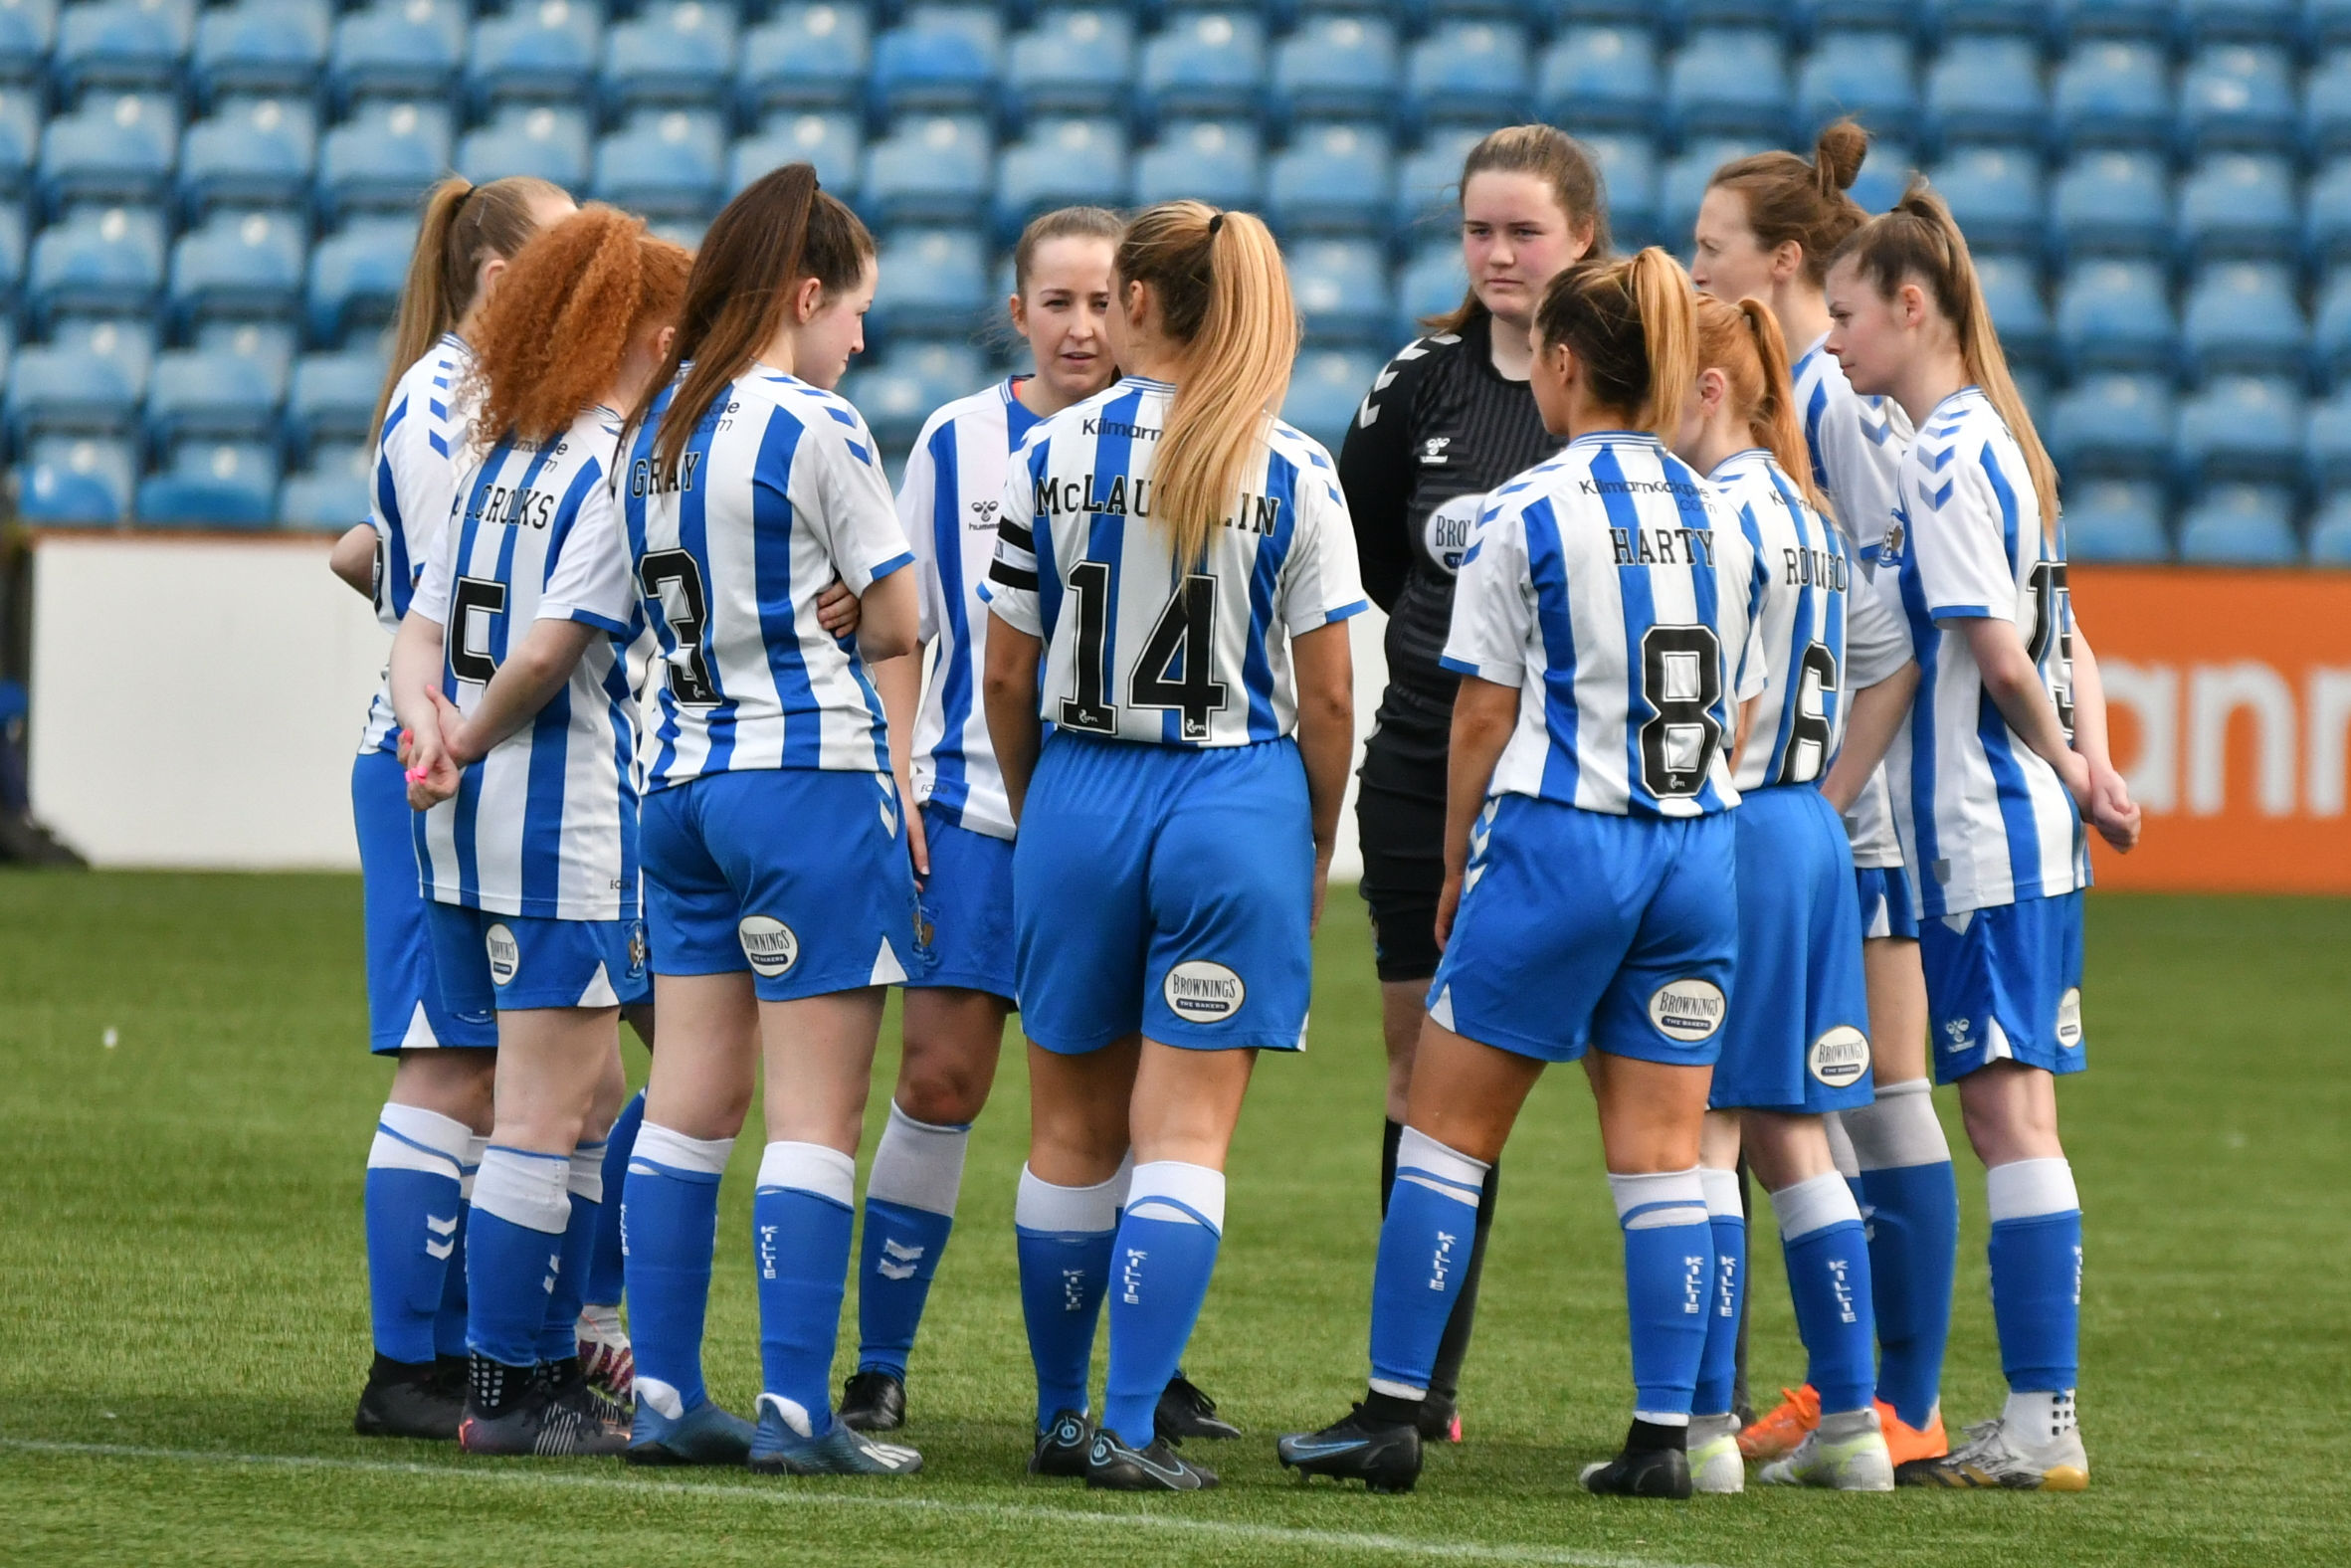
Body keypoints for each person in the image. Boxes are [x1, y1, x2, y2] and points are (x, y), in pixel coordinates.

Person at [1280, 250, 1764, 1500]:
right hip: (1698, 853)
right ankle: (1666, 1436)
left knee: (1444, 1131)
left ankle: (1391, 1413)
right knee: (1664, 1156)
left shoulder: (1523, 510)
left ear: (1558, 365)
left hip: (1559, 840)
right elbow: (1741, 709)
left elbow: (1477, 720)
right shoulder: (1732, 514)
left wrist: (1452, 872)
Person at [981, 200, 1363, 1491]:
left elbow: (1003, 672)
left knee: (1067, 1138)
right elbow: (1327, 705)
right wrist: (1308, 843)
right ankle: (1133, 1424)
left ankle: (1054, 1415)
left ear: (1135, 303)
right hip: (1234, 803)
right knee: (1184, 1138)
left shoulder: (1048, 450)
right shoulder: (1291, 465)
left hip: (1080, 793)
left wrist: (1045, 810)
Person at [843, 206, 1234, 1448]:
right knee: (940, 1077)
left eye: (1097, 300)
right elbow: (895, 621)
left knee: (1126, 1111)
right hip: (972, 802)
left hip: (1119, 821)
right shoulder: (956, 443)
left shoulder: (1192, 444)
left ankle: (1127, 1381)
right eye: (1051, 303)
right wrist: (899, 769)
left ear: (1134, 308)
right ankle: (879, 1362)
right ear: (1017, 314)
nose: (1077, 324)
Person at [1822, 181, 2140, 1490]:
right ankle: (2033, 1418)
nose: (1831, 343)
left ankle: (2038, 1424)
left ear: (1911, 306)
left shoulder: (1949, 454)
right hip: (2025, 838)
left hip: (1980, 834)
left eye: (1844, 316)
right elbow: (2067, 636)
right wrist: (2095, 763)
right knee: (2017, 1118)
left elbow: (2004, 654)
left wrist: (2066, 764)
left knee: (2008, 1122)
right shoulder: (1997, 441)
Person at [613, 164, 927, 1476]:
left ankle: (664, 1394)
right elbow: (903, 615)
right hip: (801, 785)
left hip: (675, 792)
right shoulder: (813, 424)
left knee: (685, 1105)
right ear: (804, 295)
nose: (857, 337)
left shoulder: (653, 428)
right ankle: (798, 1408)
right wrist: (856, 611)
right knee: (814, 1116)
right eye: (852, 309)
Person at [389, 205, 690, 1456]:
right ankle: (511, 1391)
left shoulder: (493, 446)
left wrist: (426, 726)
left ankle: (540, 1356)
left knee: (587, 1092)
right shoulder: (605, 462)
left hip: (456, 828)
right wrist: (466, 733)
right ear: (644, 332)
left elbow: (412, 621)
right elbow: (554, 648)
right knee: (542, 1105)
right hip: (555, 821)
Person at [1691, 121, 1957, 1468]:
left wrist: (1821, 790)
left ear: (1777, 261)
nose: (1689, 276)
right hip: (1827, 809)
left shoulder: (1828, 405)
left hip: (1855, 808)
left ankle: (1890, 1399)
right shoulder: (1801, 385)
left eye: (1706, 252)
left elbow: (1885, 633)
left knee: (1859, 1095)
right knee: (1807, 1104)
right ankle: (1851, 1395)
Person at [1337, 124, 1607, 1442]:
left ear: (1582, 240)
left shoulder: (1629, 386)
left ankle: (1695, 1405)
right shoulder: (1420, 378)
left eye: (1524, 232)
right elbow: (1369, 555)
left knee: (1653, 1086)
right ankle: (1418, 1385)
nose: (1497, 256)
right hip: (1418, 761)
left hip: (1582, 779)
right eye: (1477, 231)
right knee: (1416, 1071)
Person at [326, 172, 574, 1441]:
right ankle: (405, 1367)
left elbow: (373, 556)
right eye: (564, 263)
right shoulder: (455, 401)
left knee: (494, 1058)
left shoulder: (456, 393)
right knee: (452, 1056)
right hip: (441, 753)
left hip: (469, 752)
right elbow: (444, 595)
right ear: (497, 282)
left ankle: (474, 1346)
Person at [1673, 293, 1920, 1494]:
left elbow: (1732, 697)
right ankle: (1853, 1426)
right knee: (1796, 1131)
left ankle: (1705, 1426)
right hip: (1808, 831)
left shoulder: (1711, 512)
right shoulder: (1807, 510)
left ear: (1708, 389)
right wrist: (1818, 797)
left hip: (1731, 827)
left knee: (1711, 1128)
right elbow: (1887, 662)